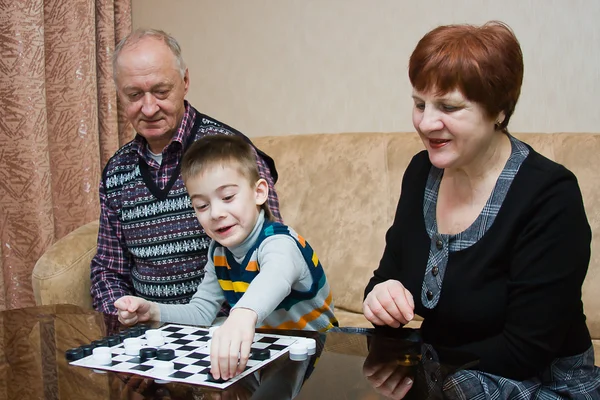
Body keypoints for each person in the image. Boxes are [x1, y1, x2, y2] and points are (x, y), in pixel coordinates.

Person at [363, 21, 600, 398]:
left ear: (499, 111)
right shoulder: (420, 172)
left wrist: (421, 367)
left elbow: (525, 351)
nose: (426, 123)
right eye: (419, 103)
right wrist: (380, 298)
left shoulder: (550, 195)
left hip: (536, 384)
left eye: (449, 107)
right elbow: (387, 278)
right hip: (443, 371)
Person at [114, 134, 338, 380]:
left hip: (320, 359)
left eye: (228, 197)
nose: (216, 213)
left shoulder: (280, 242)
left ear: (259, 193)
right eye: (202, 205)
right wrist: (153, 312)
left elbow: (276, 276)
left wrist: (242, 314)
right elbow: (201, 313)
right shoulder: (219, 252)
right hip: (266, 359)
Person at [90, 29, 281, 315]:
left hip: (225, 330)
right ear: (119, 95)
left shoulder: (230, 152)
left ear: (185, 82)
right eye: (134, 95)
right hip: (148, 331)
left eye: (161, 91)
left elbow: (270, 252)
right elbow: (109, 270)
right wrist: (121, 314)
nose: (149, 107)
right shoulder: (117, 171)